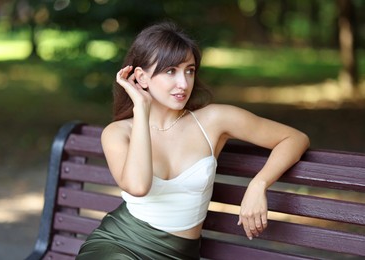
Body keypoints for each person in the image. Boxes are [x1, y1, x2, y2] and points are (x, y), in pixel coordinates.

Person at [77, 21, 310, 260]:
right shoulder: (118, 133)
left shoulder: (214, 120)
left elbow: (293, 138)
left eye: (189, 70)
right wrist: (141, 109)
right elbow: (138, 187)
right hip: (119, 244)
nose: (184, 83)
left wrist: (259, 184)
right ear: (141, 78)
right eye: (171, 71)